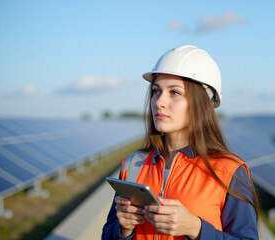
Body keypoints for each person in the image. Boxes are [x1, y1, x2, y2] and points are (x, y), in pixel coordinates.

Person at [102, 45, 259, 240]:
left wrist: (196, 229)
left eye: (174, 92)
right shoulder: (133, 164)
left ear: (201, 103)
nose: (159, 102)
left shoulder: (229, 171)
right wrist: (123, 229)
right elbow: (108, 235)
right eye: (156, 91)